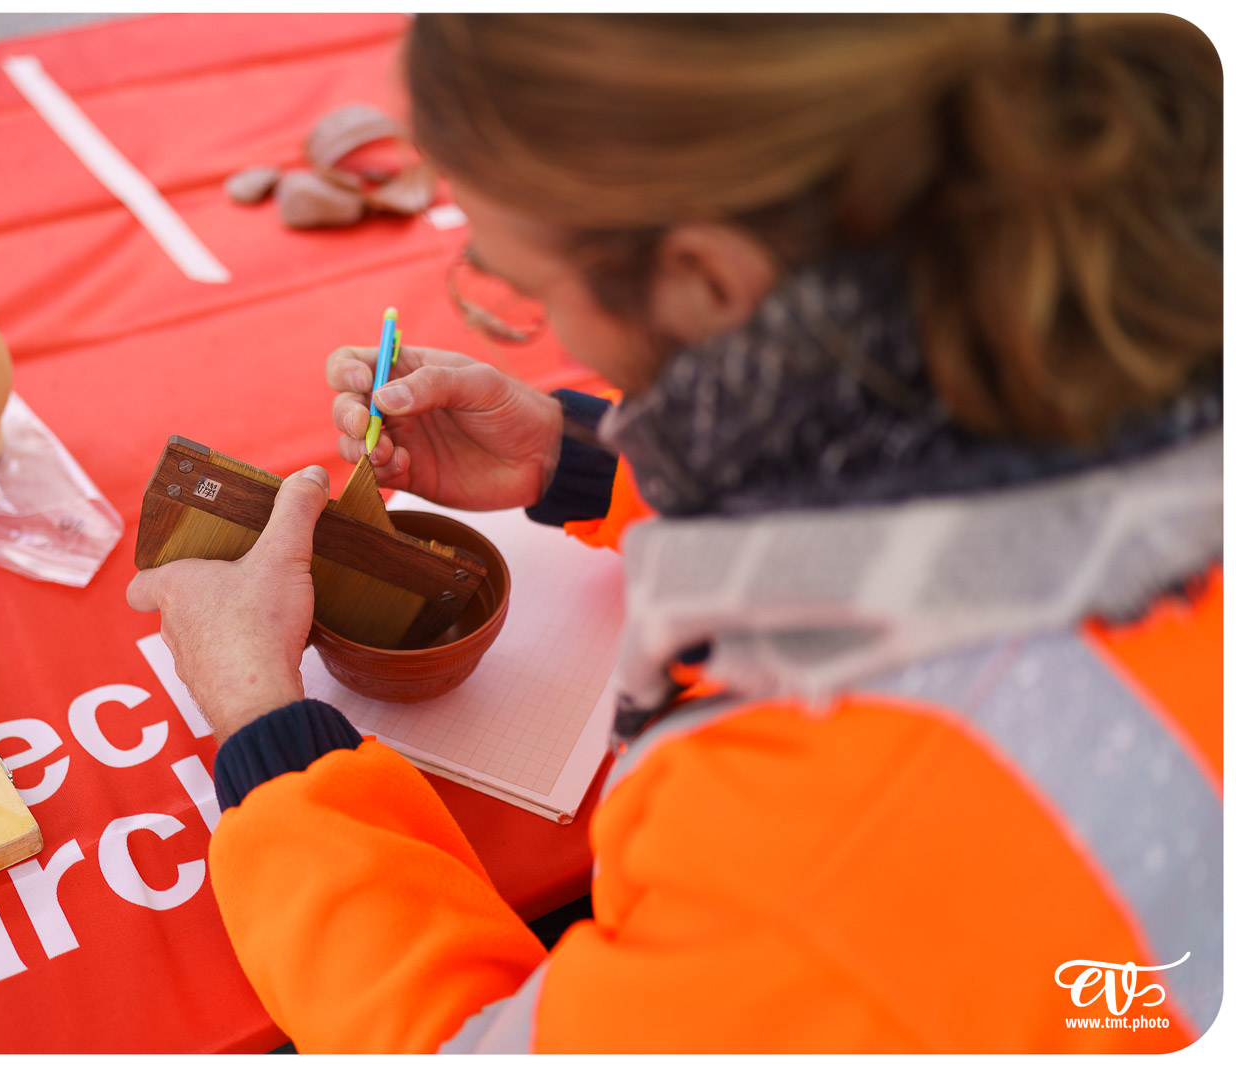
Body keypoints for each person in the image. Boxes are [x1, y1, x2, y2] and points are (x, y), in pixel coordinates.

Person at [126, 13, 1221, 1053]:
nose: (538, 320)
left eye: (524, 285)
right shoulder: (1122, 307)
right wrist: (586, 460)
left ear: (704, 277)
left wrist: (265, 727)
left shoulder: (815, 839)